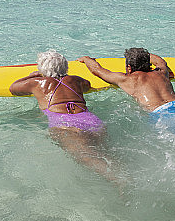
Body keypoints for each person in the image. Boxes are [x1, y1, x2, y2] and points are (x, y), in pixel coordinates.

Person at [9, 50, 118, 182]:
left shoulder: (37, 83)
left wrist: (31, 76)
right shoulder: (76, 80)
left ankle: (120, 182)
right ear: (65, 66)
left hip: (66, 124)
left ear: (42, 68)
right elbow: (87, 86)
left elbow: (13, 88)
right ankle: (122, 177)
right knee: (108, 156)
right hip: (91, 120)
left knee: (89, 159)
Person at [78, 48, 175, 131]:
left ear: (129, 68)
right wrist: (142, 56)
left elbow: (98, 70)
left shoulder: (127, 79)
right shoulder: (162, 72)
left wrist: (86, 59)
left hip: (163, 114)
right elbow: (160, 61)